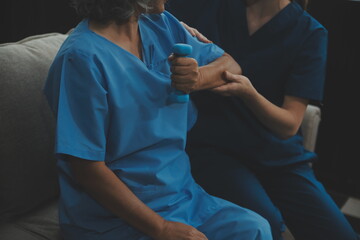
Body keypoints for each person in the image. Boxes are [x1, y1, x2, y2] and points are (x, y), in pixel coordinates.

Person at [43, 0, 273, 239]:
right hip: (113, 219)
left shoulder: (162, 25)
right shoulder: (80, 59)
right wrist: (161, 228)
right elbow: (86, 167)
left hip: (181, 198)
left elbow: (231, 65)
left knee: (256, 230)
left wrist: (197, 78)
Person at [166, 0, 360, 239]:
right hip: (215, 149)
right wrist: (177, 24)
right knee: (266, 223)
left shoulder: (310, 32)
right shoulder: (211, 7)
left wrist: (249, 94)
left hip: (279, 155)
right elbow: (151, 12)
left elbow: (288, 125)